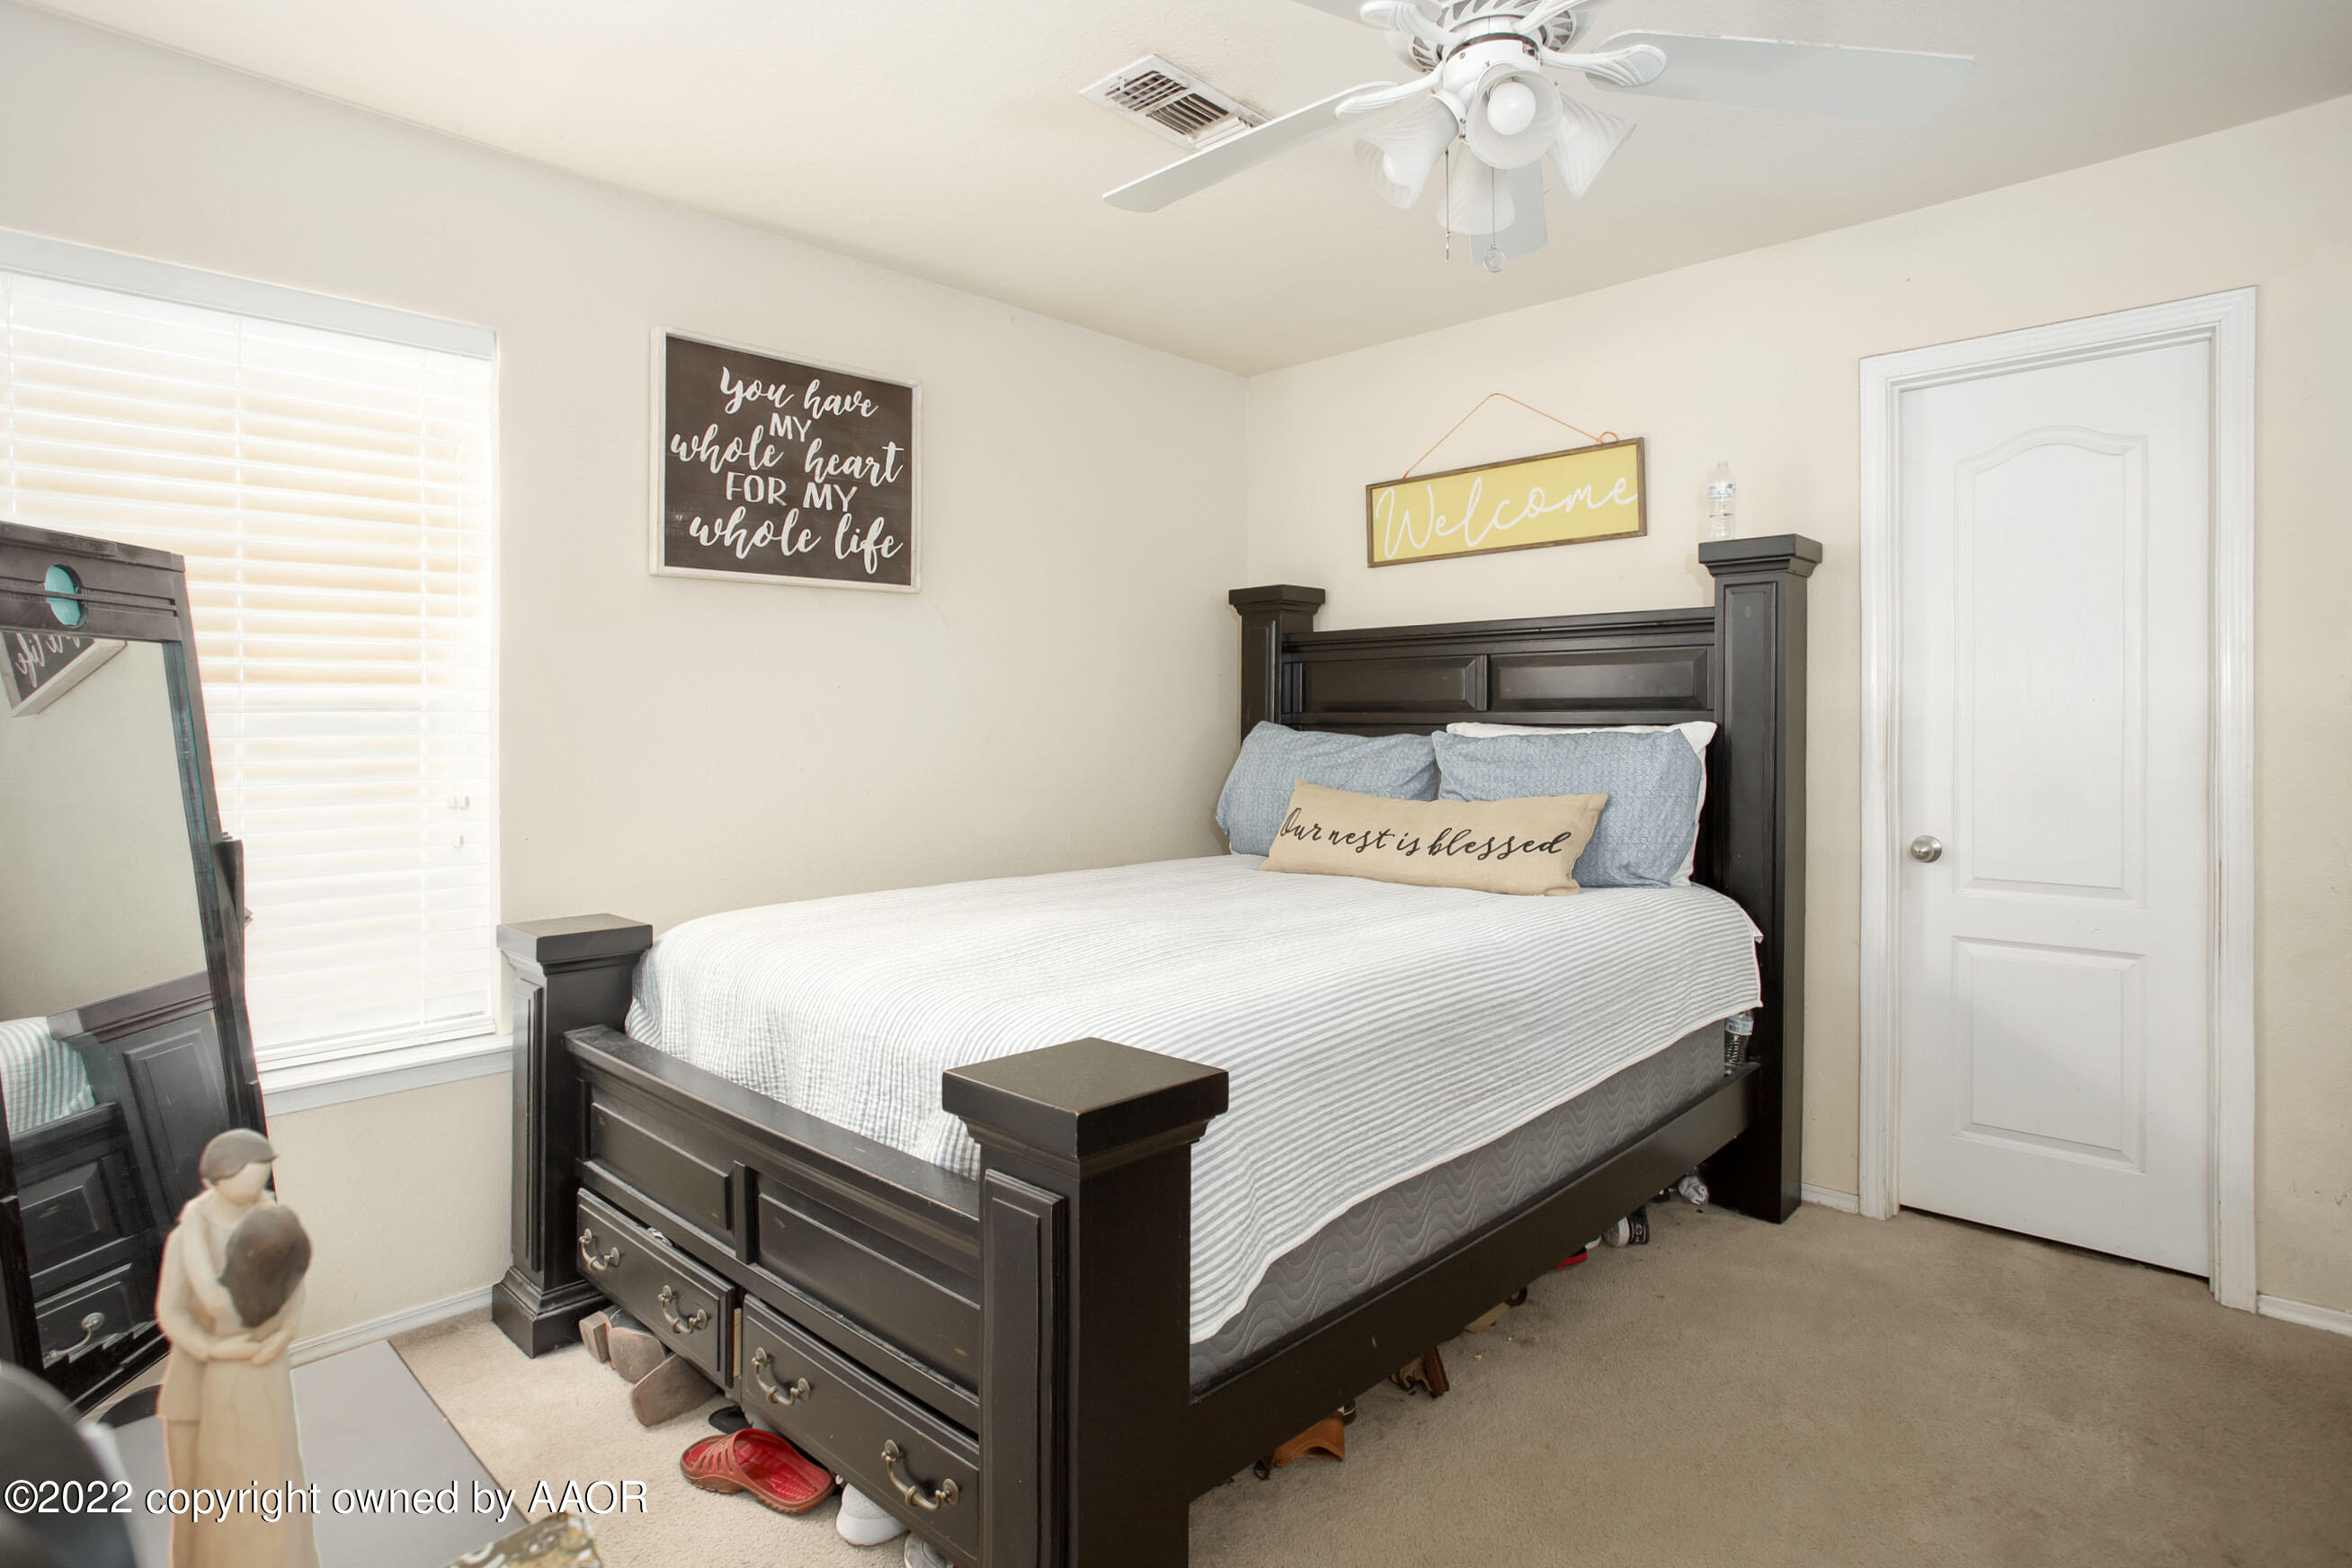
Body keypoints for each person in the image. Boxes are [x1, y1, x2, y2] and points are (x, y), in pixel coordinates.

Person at [153, 1127, 316, 1568]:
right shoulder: (187, 1238)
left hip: (261, 1374)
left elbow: (294, 1286)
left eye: (262, 1177)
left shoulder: (277, 1224)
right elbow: (172, 1313)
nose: (257, 1189)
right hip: (201, 1379)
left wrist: (285, 1332)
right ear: (215, 1180)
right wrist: (212, 1349)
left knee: (273, 1481)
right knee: (205, 1493)